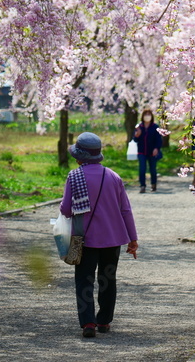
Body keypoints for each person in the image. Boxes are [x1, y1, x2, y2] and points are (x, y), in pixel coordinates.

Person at [59, 132, 139, 338]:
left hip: (85, 239)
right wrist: (133, 239)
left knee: (84, 280)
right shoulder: (114, 177)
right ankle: (104, 321)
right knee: (107, 279)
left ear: (79, 157)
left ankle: (88, 323)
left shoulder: (74, 176)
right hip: (113, 239)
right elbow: (126, 210)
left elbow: (66, 209)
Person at [133, 108, 164, 193]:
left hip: (152, 152)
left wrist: (156, 148)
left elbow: (159, 140)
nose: (147, 116)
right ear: (142, 116)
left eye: (149, 114)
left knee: (153, 169)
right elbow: (135, 139)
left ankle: (153, 184)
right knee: (142, 169)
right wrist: (137, 135)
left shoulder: (155, 127)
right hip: (142, 151)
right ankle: (142, 186)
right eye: (145, 114)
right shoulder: (139, 127)